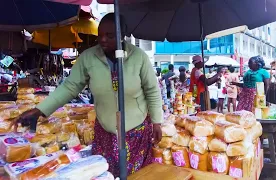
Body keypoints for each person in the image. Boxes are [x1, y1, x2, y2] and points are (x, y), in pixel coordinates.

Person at [13, 13, 163, 177]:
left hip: (137, 132)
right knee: (106, 175)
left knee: (136, 176)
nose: (103, 40)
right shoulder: (88, 58)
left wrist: (157, 122)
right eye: (100, 35)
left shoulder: (139, 57)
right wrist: (39, 110)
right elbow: (69, 87)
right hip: (105, 134)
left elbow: (152, 91)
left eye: (110, 35)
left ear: (123, 36)